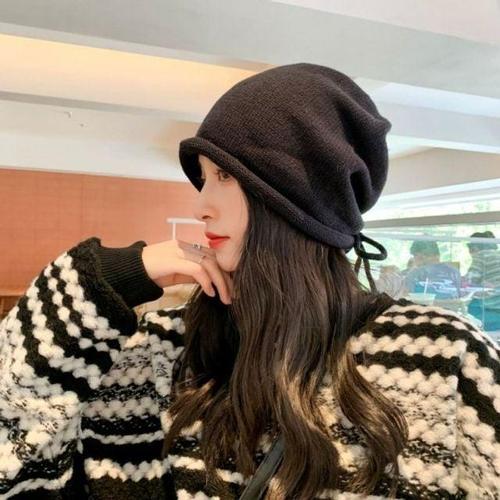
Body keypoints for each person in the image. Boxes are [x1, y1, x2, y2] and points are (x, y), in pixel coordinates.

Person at [0, 63, 498, 500]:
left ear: (293, 199)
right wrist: (104, 279)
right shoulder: (164, 352)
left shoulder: (444, 357)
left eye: (224, 176)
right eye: (203, 177)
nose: (200, 205)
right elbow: (15, 447)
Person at [464, 231, 500, 331]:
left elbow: (469, 280)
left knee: (463, 313)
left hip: (491, 309)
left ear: (474, 248)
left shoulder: (481, 255)